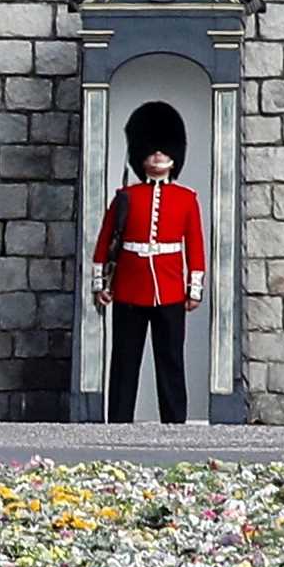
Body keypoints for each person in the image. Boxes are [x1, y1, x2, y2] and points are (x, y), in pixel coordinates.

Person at [91, 101, 205, 424]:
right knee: (125, 362)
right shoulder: (126, 197)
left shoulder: (186, 199)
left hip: (168, 290)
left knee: (170, 362)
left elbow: (194, 245)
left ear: (174, 156)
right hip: (129, 289)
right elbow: (105, 240)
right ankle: (119, 423)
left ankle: (174, 423)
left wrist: (193, 288)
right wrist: (101, 283)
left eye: (164, 149)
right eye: (152, 149)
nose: (157, 154)